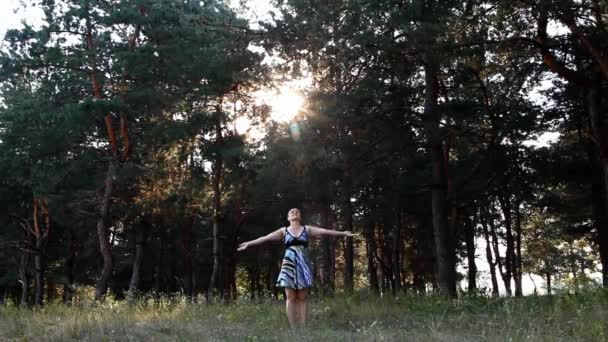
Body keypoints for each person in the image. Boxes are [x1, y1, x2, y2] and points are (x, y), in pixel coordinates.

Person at [237, 208, 354, 328]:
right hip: (289, 264)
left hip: (303, 264)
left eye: (297, 211)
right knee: (290, 296)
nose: (294, 212)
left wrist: (343, 233)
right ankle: (293, 328)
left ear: (300, 217)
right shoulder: (284, 230)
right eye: (291, 212)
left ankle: (303, 327)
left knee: (302, 297)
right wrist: (249, 243)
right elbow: (265, 238)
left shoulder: (307, 229)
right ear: (288, 218)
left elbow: (325, 231)